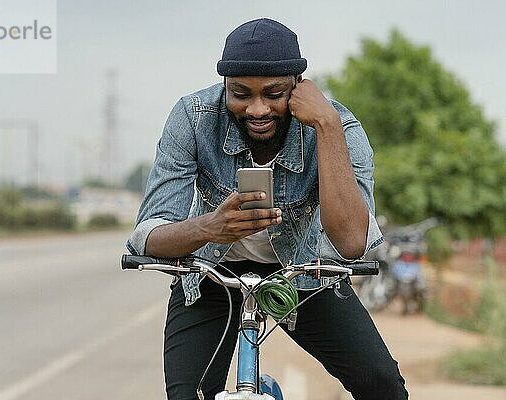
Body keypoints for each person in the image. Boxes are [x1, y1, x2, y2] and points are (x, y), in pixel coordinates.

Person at [127, 18, 408, 400]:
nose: (257, 108)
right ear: (224, 86)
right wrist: (211, 227)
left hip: (302, 275)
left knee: (383, 386)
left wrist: (326, 126)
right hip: (213, 274)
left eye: (274, 93)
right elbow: (148, 236)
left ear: (298, 84)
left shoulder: (338, 125)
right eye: (240, 94)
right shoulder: (193, 118)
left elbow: (351, 243)